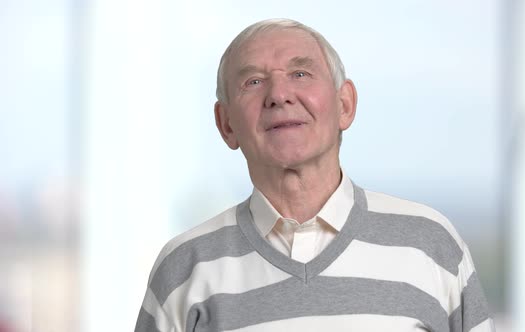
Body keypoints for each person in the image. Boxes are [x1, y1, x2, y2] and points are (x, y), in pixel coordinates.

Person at [134, 18, 495, 332]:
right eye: (253, 82)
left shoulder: (430, 245)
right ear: (226, 124)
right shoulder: (184, 268)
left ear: (344, 105)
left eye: (300, 74)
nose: (279, 94)